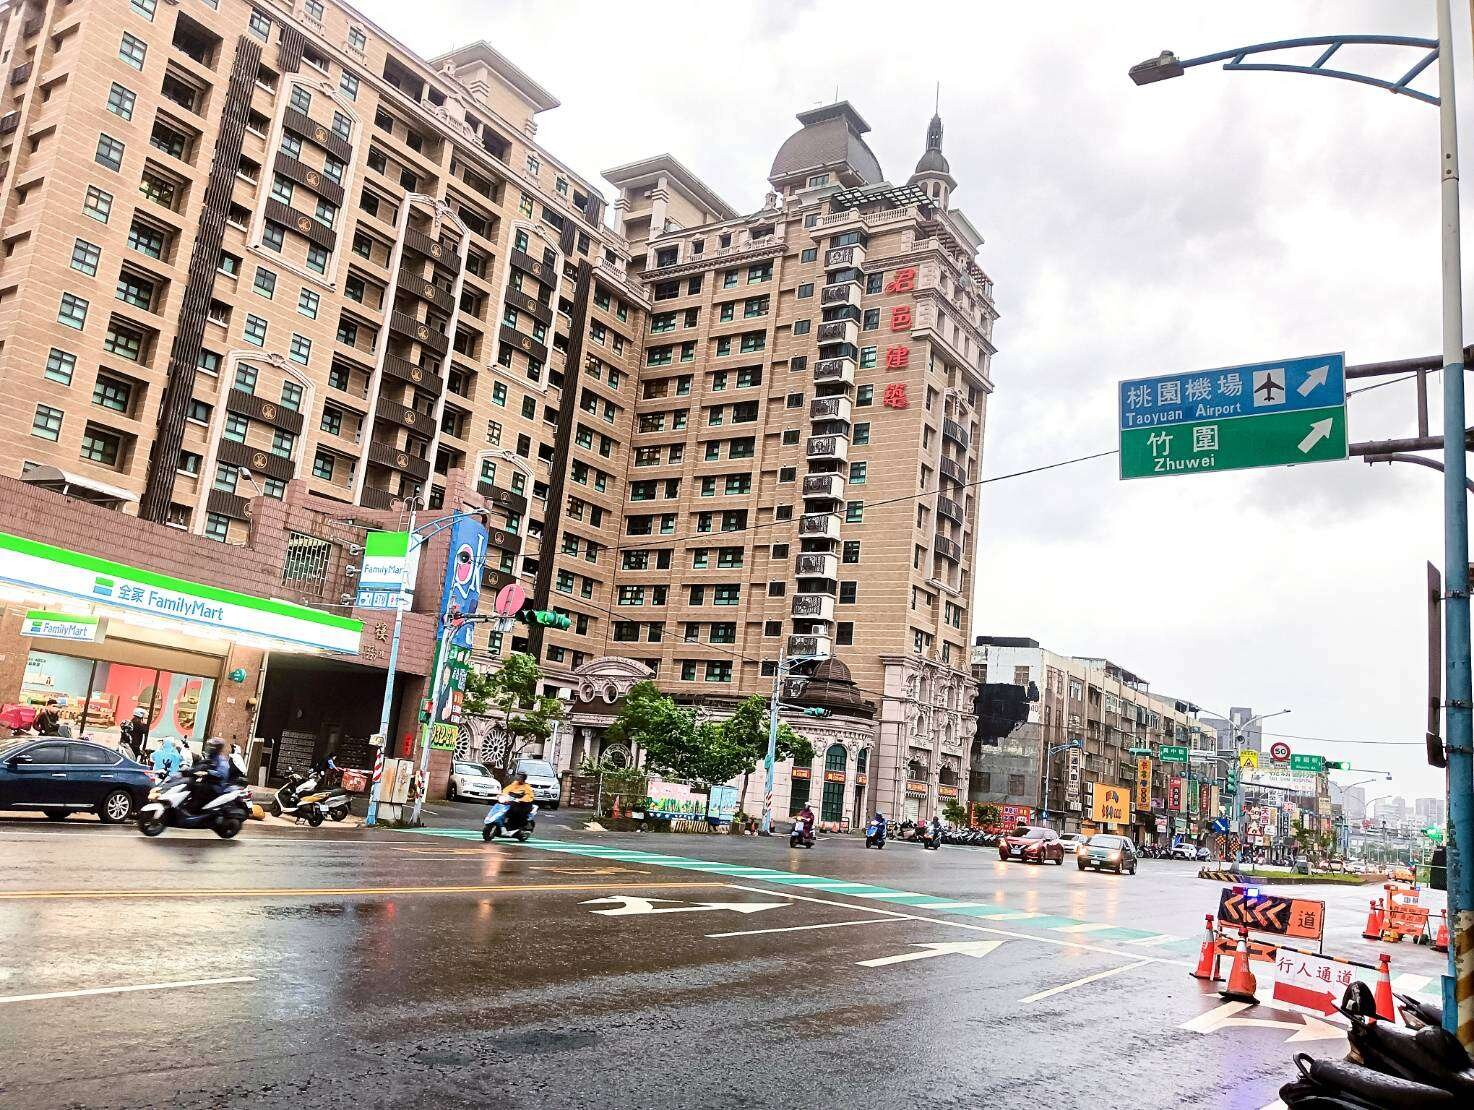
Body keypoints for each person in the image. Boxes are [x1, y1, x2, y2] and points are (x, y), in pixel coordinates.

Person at [188, 737, 230, 814]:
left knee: (198, 787)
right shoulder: (210, 758)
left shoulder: (221, 760)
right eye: (209, 745)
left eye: (212, 746)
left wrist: (208, 773)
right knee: (191, 784)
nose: (210, 748)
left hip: (216, 786)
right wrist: (189, 770)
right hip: (208, 783)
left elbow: (222, 774)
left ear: (217, 748)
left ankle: (196, 810)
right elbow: (200, 765)